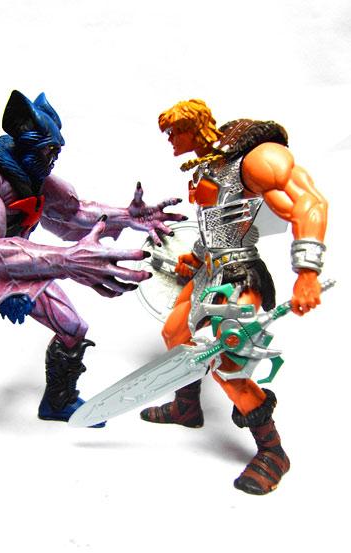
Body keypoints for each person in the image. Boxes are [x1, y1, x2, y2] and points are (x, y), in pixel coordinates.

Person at [0, 90, 185, 455]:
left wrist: (128, 216)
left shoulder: (38, 178)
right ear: (26, 144)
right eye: (48, 151)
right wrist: (68, 260)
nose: (53, 159)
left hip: (28, 266)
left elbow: (76, 213)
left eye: (56, 151)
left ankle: (58, 400)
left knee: (73, 329)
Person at [140, 99, 328, 495]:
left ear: (193, 127)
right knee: (175, 334)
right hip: (209, 269)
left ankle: (272, 451)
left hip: (240, 274)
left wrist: (307, 272)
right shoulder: (209, 165)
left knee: (228, 361)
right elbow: (220, 223)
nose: (170, 140)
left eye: (173, 132)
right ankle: (187, 408)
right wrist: (197, 256)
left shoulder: (255, 159)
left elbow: (309, 203)